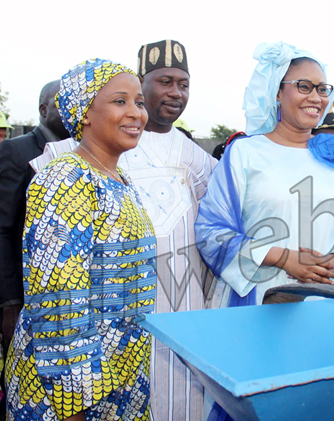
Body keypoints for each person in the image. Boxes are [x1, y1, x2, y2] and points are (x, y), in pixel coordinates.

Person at [196, 41, 334, 420]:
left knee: (317, 402)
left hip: (325, 304)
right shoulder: (245, 153)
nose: (316, 97)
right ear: (278, 91)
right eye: (304, 86)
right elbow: (212, 231)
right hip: (261, 303)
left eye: (323, 88)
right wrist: (284, 259)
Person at [4, 59, 156, 420]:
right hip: (70, 392)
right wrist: (75, 404)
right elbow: (58, 298)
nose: (136, 113)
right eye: (120, 101)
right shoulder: (64, 179)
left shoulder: (119, 179)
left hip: (119, 378)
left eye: (139, 102)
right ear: (85, 111)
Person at [113, 39, 217, 421]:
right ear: (141, 84)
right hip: (120, 308)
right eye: (165, 81)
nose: (176, 93)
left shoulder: (198, 158)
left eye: (184, 84)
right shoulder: (109, 144)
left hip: (185, 305)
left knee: (183, 402)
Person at [0, 80, 69, 349]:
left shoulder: (84, 154)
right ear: (44, 109)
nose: (72, 111)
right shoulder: (16, 151)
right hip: (24, 300)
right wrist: (9, 304)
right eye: (62, 104)